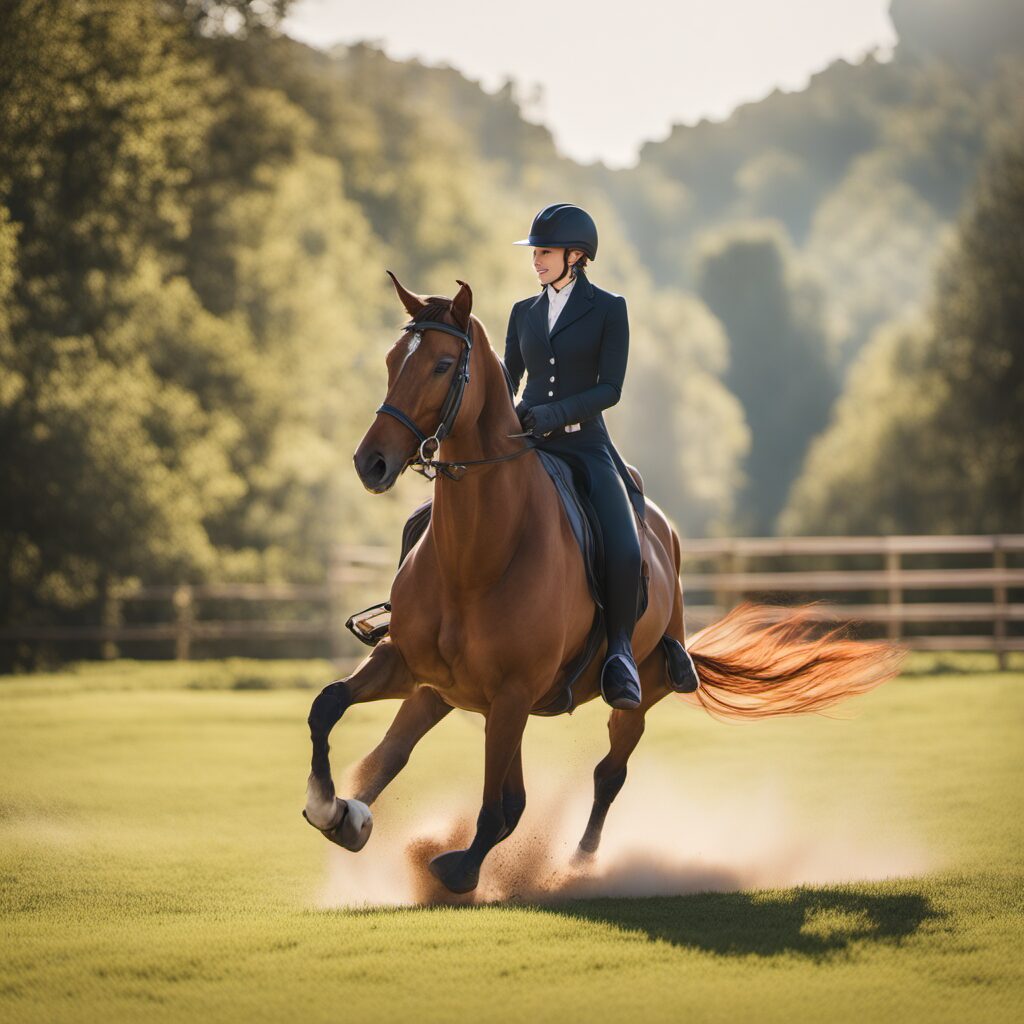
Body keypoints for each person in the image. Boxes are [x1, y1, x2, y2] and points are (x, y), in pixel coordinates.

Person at [503, 202, 649, 710]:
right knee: (437, 512)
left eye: (545, 251)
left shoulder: (609, 308)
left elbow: (610, 388)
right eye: (535, 251)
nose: (536, 259)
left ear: (576, 255)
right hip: (527, 442)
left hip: (584, 443)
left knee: (624, 543)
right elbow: (508, 379)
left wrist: (553, 413)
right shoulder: (523, 312)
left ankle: (622, 654)